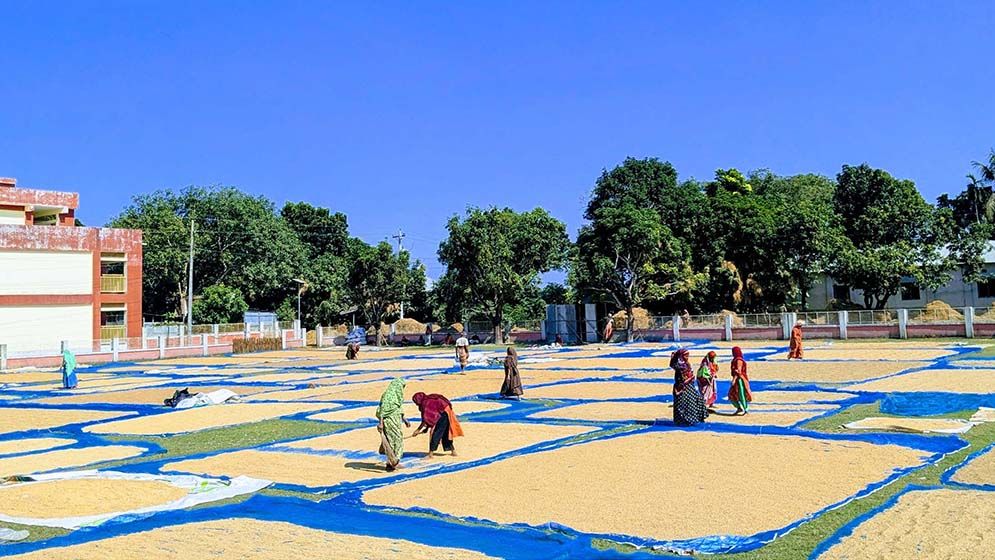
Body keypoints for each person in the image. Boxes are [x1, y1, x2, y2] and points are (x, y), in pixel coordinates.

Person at [411, 392, 463, 457]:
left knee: (436, 433)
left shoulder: (425, 403)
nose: (416, 404)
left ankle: (430, 454)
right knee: (445, 433)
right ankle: (453, 452)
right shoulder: (428, 399)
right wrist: (426, 429)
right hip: (447, 411)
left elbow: (425, 419)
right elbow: (430, 417)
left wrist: (418, 430)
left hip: (443, 413)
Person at [376, 378, 411, 472]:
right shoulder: (388, 395)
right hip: (389, 421)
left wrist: (404, 419)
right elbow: (382, 410)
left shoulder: (396, 396)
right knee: (394, 440)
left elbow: (399, 408)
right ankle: (393, 462)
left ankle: (392, 462)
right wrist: (381, 423)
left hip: (396, 421)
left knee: (397, 439)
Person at [671, 348, 707, 426]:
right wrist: (673, 357)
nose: (687, 357)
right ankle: (683, 420)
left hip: (690, 386)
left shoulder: (687, 363)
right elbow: (673, 365)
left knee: (695, 401)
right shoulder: (679, 365)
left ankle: (694, 419)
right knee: (682, 404)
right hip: (682, 387)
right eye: (685, 355)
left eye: (688, 355)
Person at [728, 346, 753, 415]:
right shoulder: (736, 359)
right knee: (732, 395)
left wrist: (734, 379)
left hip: (740, 380)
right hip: (738, 379)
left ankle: (745, 409)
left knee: (741, 394)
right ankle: (739, 408)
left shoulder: (739, 360)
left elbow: (738, 371)